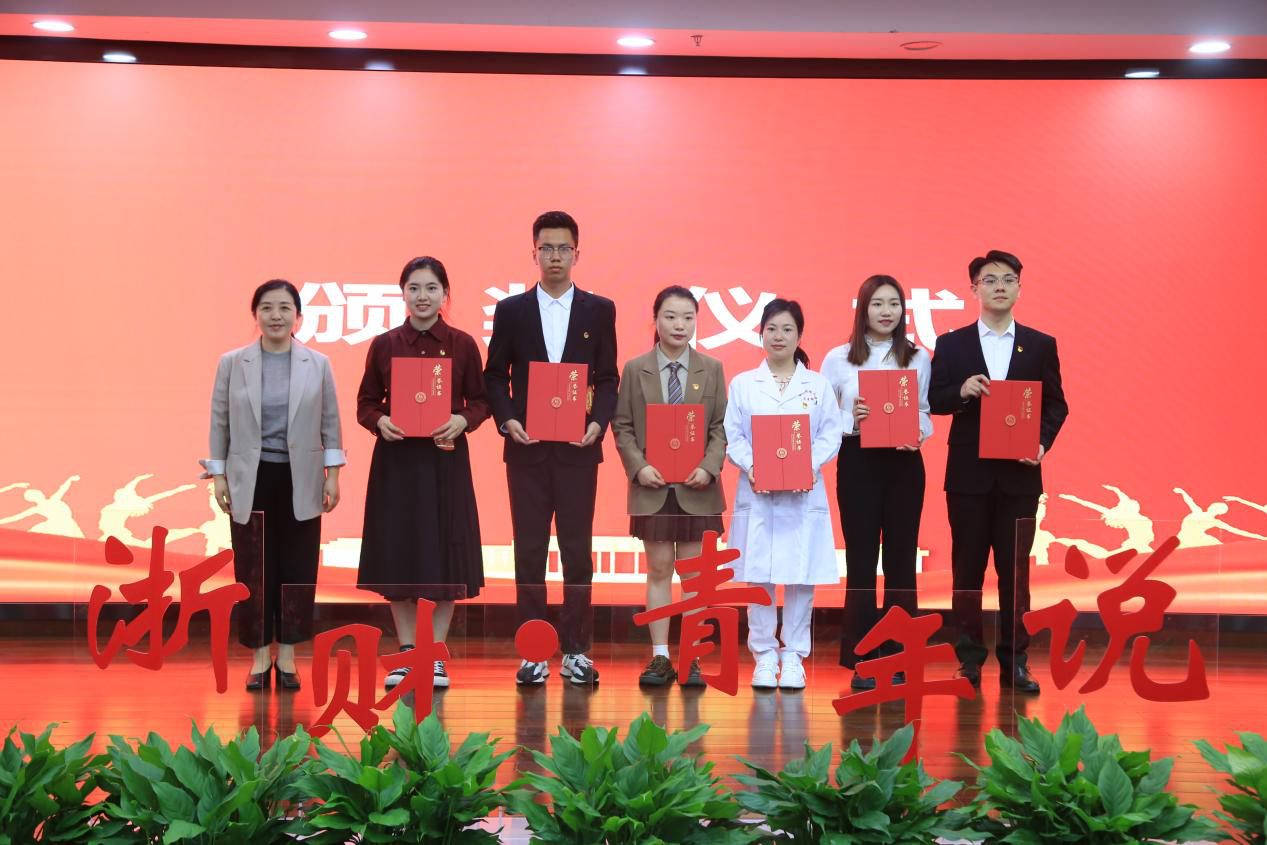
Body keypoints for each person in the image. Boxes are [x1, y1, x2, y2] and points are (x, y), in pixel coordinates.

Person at [484, 211, 619, 686]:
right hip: (528, 450)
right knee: (529, 550)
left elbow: (608, 377)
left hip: (579, 450)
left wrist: (598, 423)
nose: (555, 256)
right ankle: (533, 652)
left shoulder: (599, 310)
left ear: (577, 253)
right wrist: (509, 421)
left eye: (563, 248)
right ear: (534, 253)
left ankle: (577, 651)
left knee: (578, 552)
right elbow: (493, 376)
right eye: (547, 248)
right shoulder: (512, 310)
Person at [929, 250, 1068, 695]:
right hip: (968, 478)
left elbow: (1056, 404)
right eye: (990, 280)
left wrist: (1041, 444)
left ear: (1020, 288)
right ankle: (968, 661)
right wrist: (962, 391)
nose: (1000, 287)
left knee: (1016, 575)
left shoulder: (1040, 344)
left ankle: (1016, 662)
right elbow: (934, 399)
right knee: (966, 574)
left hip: (1019, 479)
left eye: (1009, 279)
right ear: (974, 289)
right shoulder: (952, 344)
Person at [356, 256, 490, 690]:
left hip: (444, 461)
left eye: (431, 288)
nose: (422, 296)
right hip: (397, 464)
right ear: (402, 293)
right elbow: (365, 403)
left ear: (445, 294)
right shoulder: (385, 344)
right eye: (414, 288)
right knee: (400, 554)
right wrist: (380, 421)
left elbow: (482, 401)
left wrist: (462, 420)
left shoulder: (462, 344)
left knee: (445, 557)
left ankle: (434, 657)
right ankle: (408, 651)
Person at [204, 279, 345, 692]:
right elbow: (219, 421)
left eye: (285, 308)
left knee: (297, 568)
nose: (276, 316)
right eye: (267, 308)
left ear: (298, 316)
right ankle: (259, 658)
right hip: (251, 476)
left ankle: (287, 656)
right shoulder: (233, 363)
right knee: (253, 570)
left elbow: (331, 422)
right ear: (255, 315)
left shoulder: (317, 363)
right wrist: (219, 475)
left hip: (301, 476)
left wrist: (333, 476)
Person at [723, 299, 843, 690]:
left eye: (787, 329)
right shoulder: (743, 384)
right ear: (760, 333)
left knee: (800, 576)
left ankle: (793, 657)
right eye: (772, 328)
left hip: (803, 493)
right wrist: (752, 466)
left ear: (799, 335)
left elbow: (830, 433)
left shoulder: (817, 385)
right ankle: (763, 656)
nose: (779, 336)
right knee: (758, 575)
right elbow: (733, 436)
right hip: (757, 492)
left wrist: (809, 464)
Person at [612, 286, 727, 688]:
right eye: (671, 316)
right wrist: (639, 467)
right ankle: (660, 657)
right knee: (659, 569)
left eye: (688, 318)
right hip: (653, 486)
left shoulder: (712, 368)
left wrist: (709, 467)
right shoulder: (635, 369)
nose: (680, 325)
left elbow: (720, 427)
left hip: (698, 488)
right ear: (655, 320)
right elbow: (622, 425)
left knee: (694, 576)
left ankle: (692, 656)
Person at [821, 275, 931, 690]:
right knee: (862, 560)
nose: (887, 312)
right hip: (858, 462)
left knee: (901, 561)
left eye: (894, 304)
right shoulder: (838, 358)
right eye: (878, 304)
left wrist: (917, 432)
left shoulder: (918, 357)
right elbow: (823, 418)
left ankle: (900, 657)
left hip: (904, 464)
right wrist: (852, 418)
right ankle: (863, 657)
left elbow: (924, 410)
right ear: (863, 309)